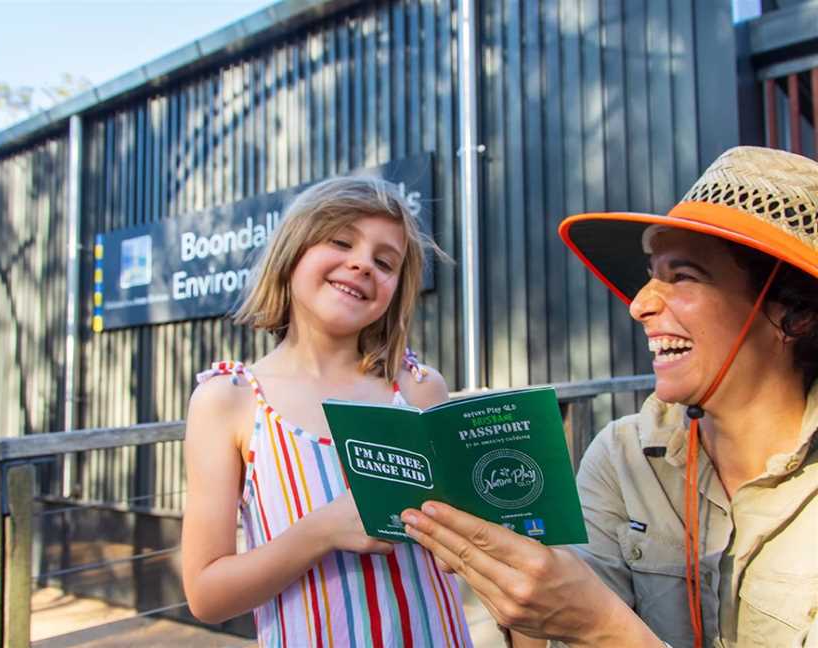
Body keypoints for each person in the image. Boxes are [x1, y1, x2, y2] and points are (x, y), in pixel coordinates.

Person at [401, 146, 818, 648]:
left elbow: (594, 623)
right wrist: (526, 609)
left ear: (795, 314)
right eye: (649, 275)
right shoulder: (622, 457)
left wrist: (602, 627)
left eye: (683, 276)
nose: (639, 305)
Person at [181, 175, 474, 647]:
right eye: (340, 241)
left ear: (397, 291)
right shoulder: (229, 399)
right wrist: (321, 532)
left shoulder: (419, 390)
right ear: (293, 252)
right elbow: (206, 595)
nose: (361, 264)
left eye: (384, 262)